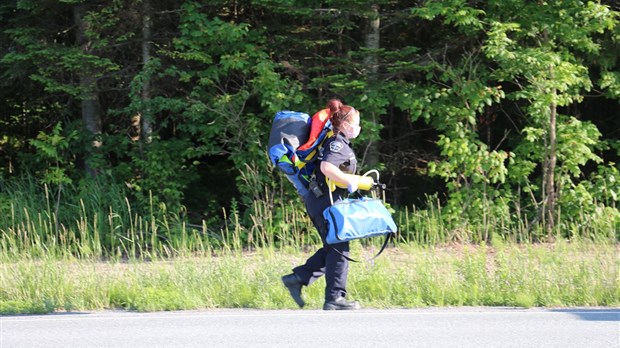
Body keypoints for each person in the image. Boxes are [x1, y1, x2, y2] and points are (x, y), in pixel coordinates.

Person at [281, 99, 363, 310]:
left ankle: (298, 278)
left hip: (321, 200)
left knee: (334, 248)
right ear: (345, 125)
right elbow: (327, 167)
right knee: (339, 248)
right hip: (325, 201)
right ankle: (334, 298)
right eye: (356, 124)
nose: (359, 128)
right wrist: (349, 181)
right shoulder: (337, 143)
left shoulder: (335, 141)